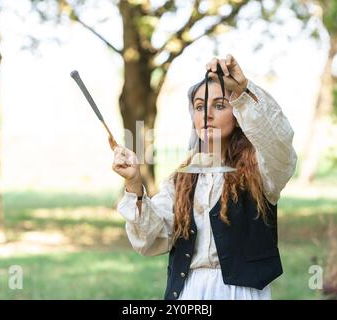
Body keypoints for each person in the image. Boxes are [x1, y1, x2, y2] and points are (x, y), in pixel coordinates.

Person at [112, 54, 297, 300]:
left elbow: (279, 143)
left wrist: (242, 90)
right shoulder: (182, 180)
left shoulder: (262, 170)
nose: (206, 115)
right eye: (199, 106)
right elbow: (151, 239)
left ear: (238, 113)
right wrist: (134, 183)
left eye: (219, 105)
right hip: (188, 293)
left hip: (240, 294)